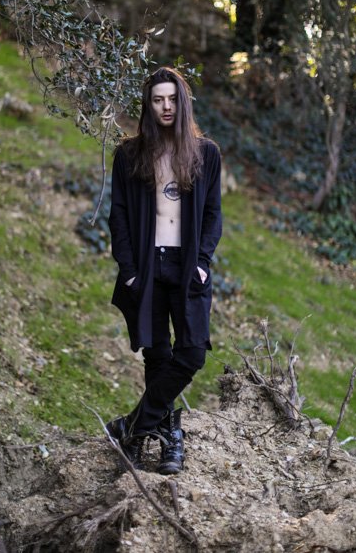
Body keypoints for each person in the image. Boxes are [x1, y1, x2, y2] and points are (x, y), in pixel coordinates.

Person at [106, 66, 222, 475]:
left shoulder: (205, 153)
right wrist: (131, 269)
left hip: (188, 265)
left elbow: (213, 214)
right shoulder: (130, 154)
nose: (166, 106)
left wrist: (203, 262)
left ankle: (131, 428)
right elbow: (118, 215)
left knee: (190, 352)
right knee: (157, 355)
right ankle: (166, 439)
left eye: (172, 99)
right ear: (148, 104)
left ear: (183, 102)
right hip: (146, 265)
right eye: (158, 99)